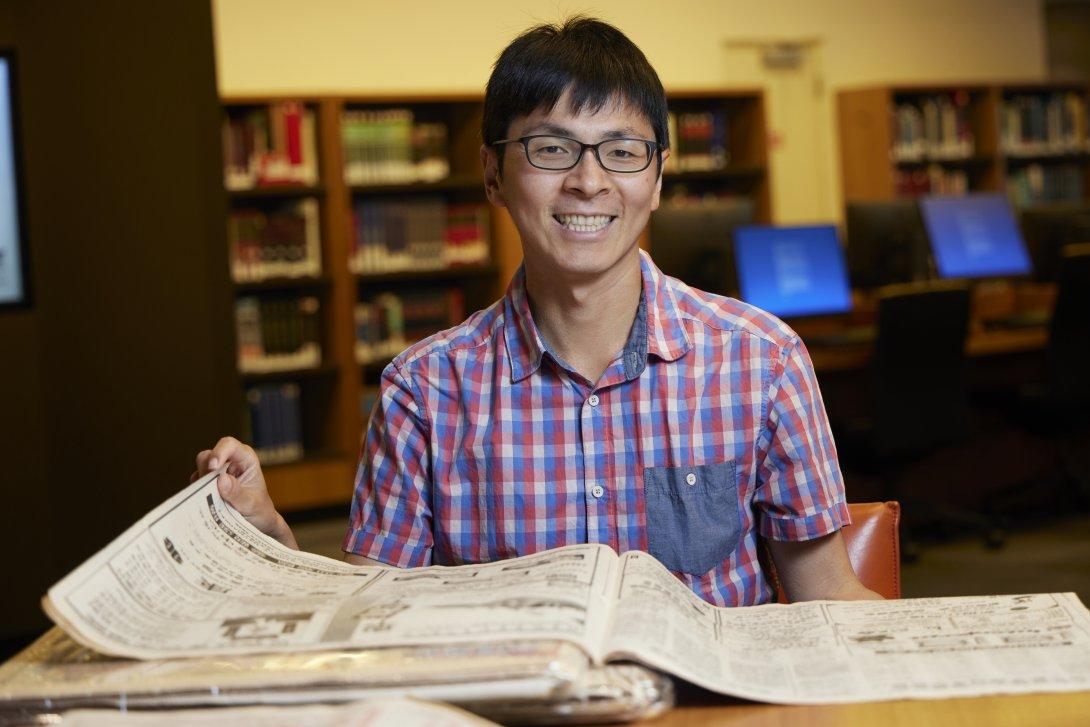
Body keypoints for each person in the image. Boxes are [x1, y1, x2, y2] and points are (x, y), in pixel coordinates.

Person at [194, 17, 881, 605]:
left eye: (622, 151)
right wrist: (269, 538)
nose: (588, 181)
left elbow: (827, 599)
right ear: (493, 173)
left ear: (659, 177)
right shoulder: (424, 390)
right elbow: (372, 614)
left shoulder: (762, 358)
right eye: (552, 149)